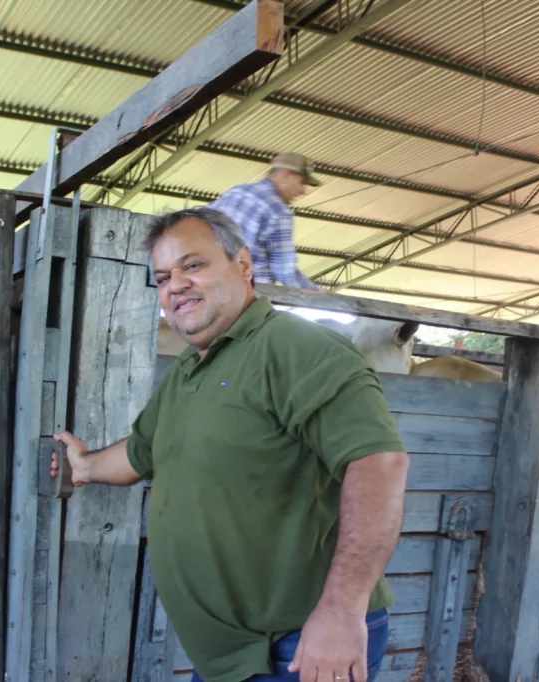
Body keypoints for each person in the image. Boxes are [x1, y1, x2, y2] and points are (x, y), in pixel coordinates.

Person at [50, 207, 410, 682]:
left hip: (298, 647)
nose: (176, 285)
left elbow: (379, 464)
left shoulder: (296, 347)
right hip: (232, 657)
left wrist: (342, 612)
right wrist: (84, 466)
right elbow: (141, 453)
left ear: (242, 265)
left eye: (193, 265)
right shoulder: (190, 370)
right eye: (163, 277)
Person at [207, 152, 325, 292]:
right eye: (302, 183)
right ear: (286, 175)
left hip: (210, 283)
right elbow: (284, 271)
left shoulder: (234, 192)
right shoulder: (278, 211)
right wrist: (319, 293)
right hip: (248, 291)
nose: (302, 191)